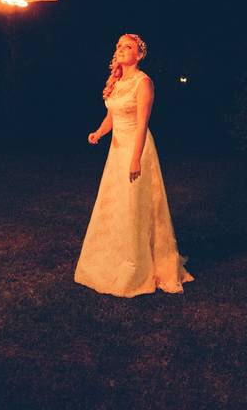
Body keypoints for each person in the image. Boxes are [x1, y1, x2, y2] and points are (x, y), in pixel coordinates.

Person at [74, 33, 194, 297]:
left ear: (138, 54)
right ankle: (110, 261)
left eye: (127, 47)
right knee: (115, 205)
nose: (121, 50)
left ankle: (137, 266)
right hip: (116, 151)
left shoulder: (144, 82)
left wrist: (135, 158)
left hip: (135, 148)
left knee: (134, 204)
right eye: (118, 46)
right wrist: (98, 133)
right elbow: (112, 116)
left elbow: (142, 124)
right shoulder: (117, 82)